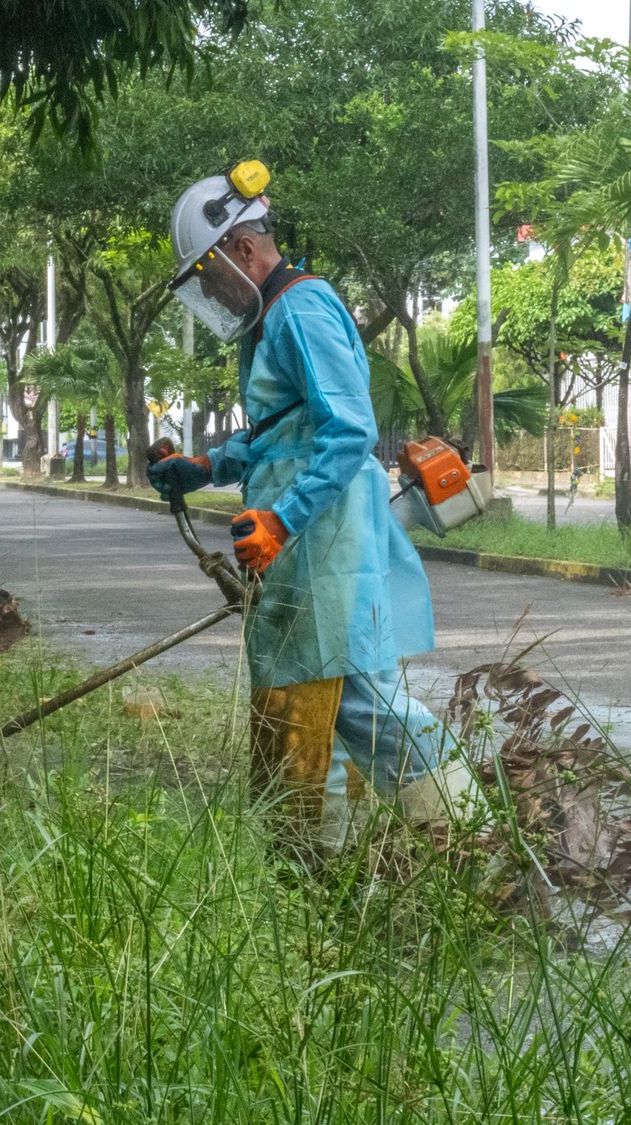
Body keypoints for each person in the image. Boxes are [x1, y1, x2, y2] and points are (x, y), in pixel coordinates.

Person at [150, 162, 484, 864]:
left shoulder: (302, 307)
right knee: (311, 711)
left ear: (241, 249)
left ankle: (480, 839)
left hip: (323, 540)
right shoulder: (271, 321)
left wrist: (283, 517)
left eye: (209, 275)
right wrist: (209, 465)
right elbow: (282, 432)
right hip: (301, 548)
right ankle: (317, 871)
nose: (210, 290)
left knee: (356, 702)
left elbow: (349, 431)